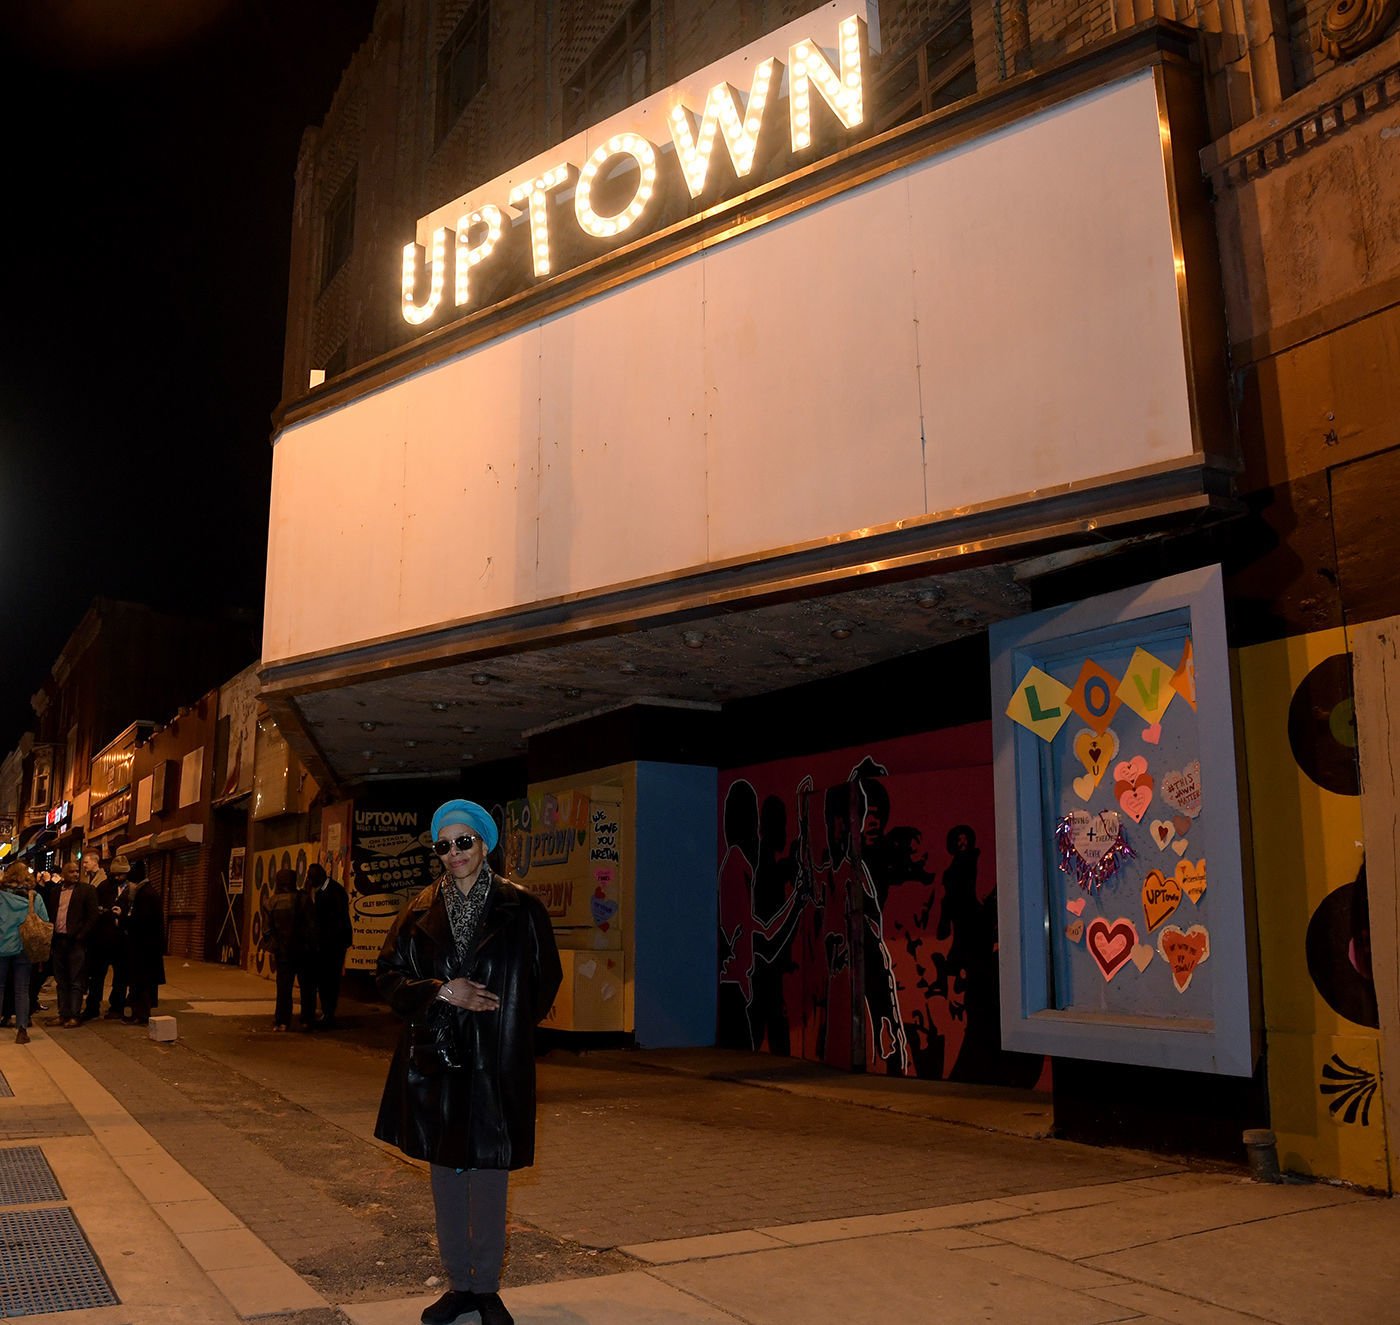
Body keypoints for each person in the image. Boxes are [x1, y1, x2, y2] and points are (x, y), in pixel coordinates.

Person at [375, 799, 561, 1325]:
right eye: (444, 845)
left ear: (484, 844)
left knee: (490, 1172)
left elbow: (547, 977)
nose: (454, 854)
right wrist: (442, 992)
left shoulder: (521, 908)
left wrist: (507, 1022)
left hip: (497, 1060)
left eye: (464, 842)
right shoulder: (415, 911)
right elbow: (387, 977)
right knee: (447, 1174)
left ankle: (486, 1287)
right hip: (437, 1060)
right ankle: (458, 1284)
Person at [260, 869, 317, 1031]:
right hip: (304, 951)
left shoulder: (271, 902)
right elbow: (312, 927)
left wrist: (276, 947)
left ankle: (282, 1021)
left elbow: (267, 931)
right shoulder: (304, 900)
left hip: (283, 952)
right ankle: (307, 1019)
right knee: (307, 987)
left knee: (284, 988)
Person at [44, 859, 97, 1028]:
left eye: (76, 871)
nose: (75, 874)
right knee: (61, 980)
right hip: (59, 940)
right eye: (71, 871)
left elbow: (92, 916)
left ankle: (74, 1015)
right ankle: (63, 1013)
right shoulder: (55, 892)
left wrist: (81, 935)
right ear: (63, 874)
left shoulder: (87, 891)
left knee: (76, 979)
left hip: (76, 942)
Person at [0, 861, 49, 1044]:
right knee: (22, 989)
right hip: (25, 947)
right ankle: (22, 1029)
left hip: (2, 946)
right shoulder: (34, 897)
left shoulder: (1, 896)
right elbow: (44, 920)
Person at [307, 863, 352, 1028]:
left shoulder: (333, 892)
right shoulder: (326, 890)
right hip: (330, 942)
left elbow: (334, 921)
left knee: (330, 978)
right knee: (326, 978)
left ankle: (329, 1012)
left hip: (333, 943)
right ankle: (327, 1011)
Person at [120, 860, 166, 1025]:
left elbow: (142, 922)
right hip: (144, 948)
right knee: (139, 983)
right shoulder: (145, 894)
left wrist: (123, 918)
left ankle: (141, 1014)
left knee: (142, 984)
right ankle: (137, 1013)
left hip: (144, 949)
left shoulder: (145, 895)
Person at [83, 854, 126, 1021]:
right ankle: (93, 1007)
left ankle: (117, 1006)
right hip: (102, 939)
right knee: (97, 976)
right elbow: (94, 911)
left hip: (120, 939)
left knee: (120, 977)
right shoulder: (104, 887)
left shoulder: (130, 889)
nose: (119, 877)